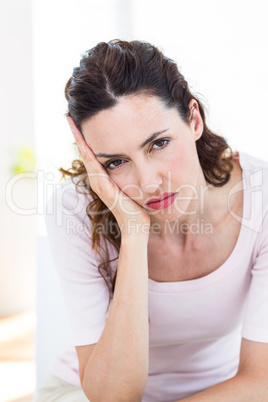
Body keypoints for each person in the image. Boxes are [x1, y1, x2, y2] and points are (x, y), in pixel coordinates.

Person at [37, 39, 268, 401]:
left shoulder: (260, 198)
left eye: (158, 143)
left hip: (224, 391)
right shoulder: (75, 209)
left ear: (193, 119)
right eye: (115, 162)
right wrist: (133, 233)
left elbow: (261, 379)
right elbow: (113, 396)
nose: (147, 183)